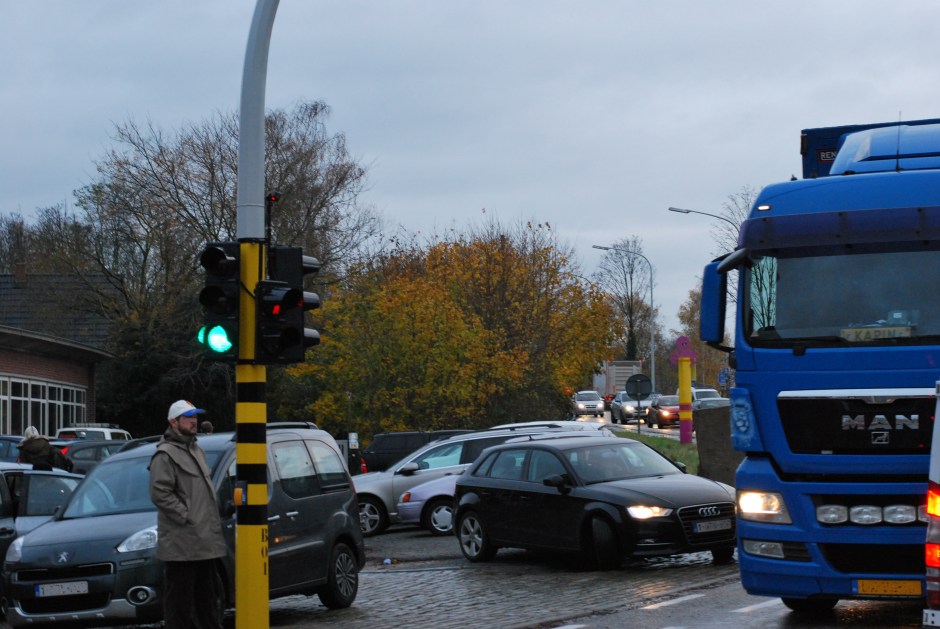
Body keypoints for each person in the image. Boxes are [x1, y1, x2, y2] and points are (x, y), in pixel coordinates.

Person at [149, 400, 226, 629]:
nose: (194, 421)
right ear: (174, 422)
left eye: (195, 416)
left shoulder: (196, 449)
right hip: (181, 546)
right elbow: (160, 493)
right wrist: (187, 516)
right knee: (179, 606)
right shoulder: (165, 454)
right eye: (188, 417)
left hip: (204, 541)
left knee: (208, 602)